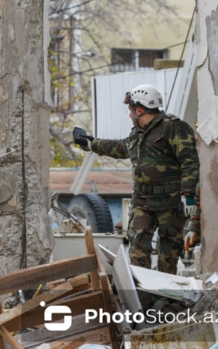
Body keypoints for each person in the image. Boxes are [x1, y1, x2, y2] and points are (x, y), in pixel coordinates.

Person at [73, 84, 199, 274]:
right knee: (138, 256)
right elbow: (121, 147)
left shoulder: (174, 127)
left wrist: (188, 195)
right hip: (142, 203)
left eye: (131, 111)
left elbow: (189, 161)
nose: (130, 115)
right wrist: (91, 143)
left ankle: (167, 302)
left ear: (139, 110)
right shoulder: (137, 133)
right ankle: (140, 299)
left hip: (170, 205)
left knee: (168, 259)